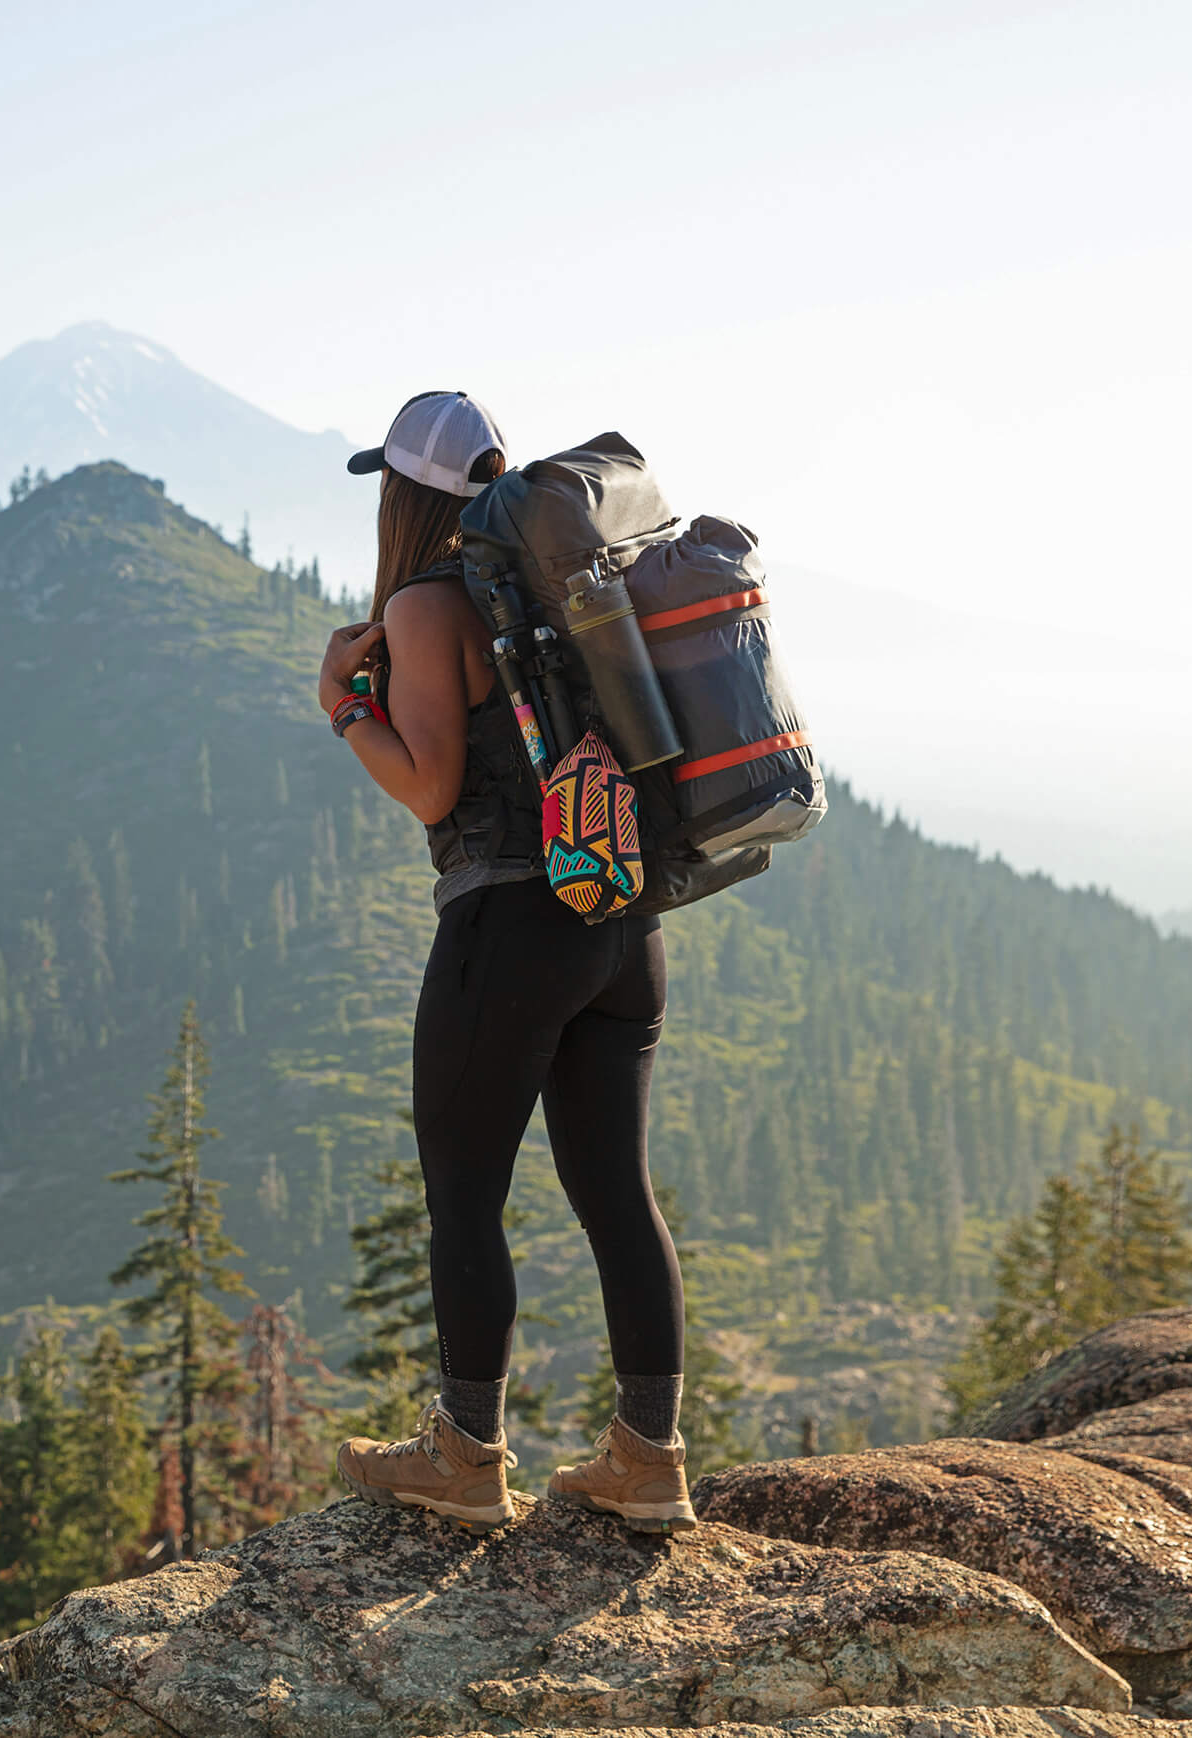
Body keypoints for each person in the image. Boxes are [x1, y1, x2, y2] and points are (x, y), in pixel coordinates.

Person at [323, 391, 696, 1535]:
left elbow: (432, 786)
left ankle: (467, 1454)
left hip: (510, 924)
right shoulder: (561, 584)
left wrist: (342, 708)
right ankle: (646, 1456)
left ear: (403, 491)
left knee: (463, 1193)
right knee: (613, 1194)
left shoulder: (428, 605)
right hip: (620, 918)